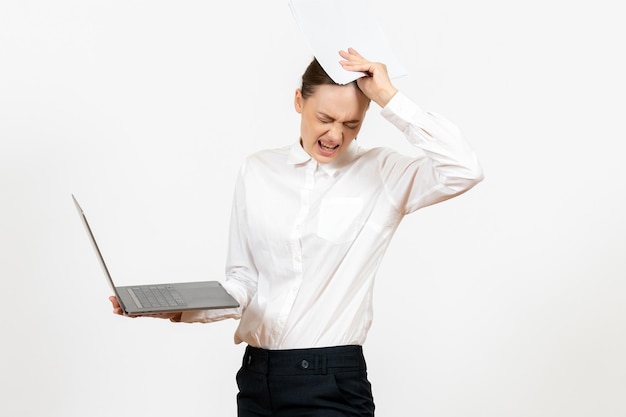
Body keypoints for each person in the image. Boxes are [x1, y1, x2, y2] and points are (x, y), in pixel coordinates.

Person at [110, 48, 483, 416]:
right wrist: (172, 308)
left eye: (351, 124)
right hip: (257, 380)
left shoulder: (384, 173)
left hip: (331, 382)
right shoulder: (257, 170)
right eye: (325, 118)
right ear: (298, 102)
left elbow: (464, 169)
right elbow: (243, 283)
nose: (336, 135)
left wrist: (389, 97)